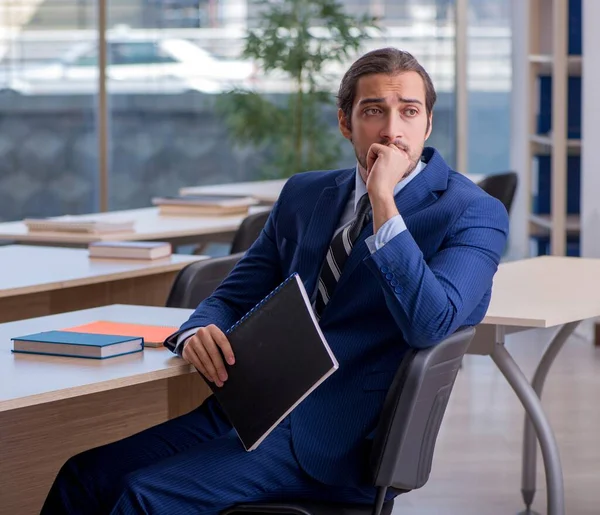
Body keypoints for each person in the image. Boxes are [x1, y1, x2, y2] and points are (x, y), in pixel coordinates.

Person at [42, 47, 509, 514]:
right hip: (246, 410)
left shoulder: (470, 212)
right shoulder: (304, 195)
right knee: (82, 477)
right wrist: (195, 331)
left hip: (336, 440)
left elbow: (430, 323)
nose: (392, 129)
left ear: (427, 124)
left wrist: (383, 203)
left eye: (409, 111)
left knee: (144, 494)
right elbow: (231, 295)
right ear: (346, 123)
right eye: (373, 111)